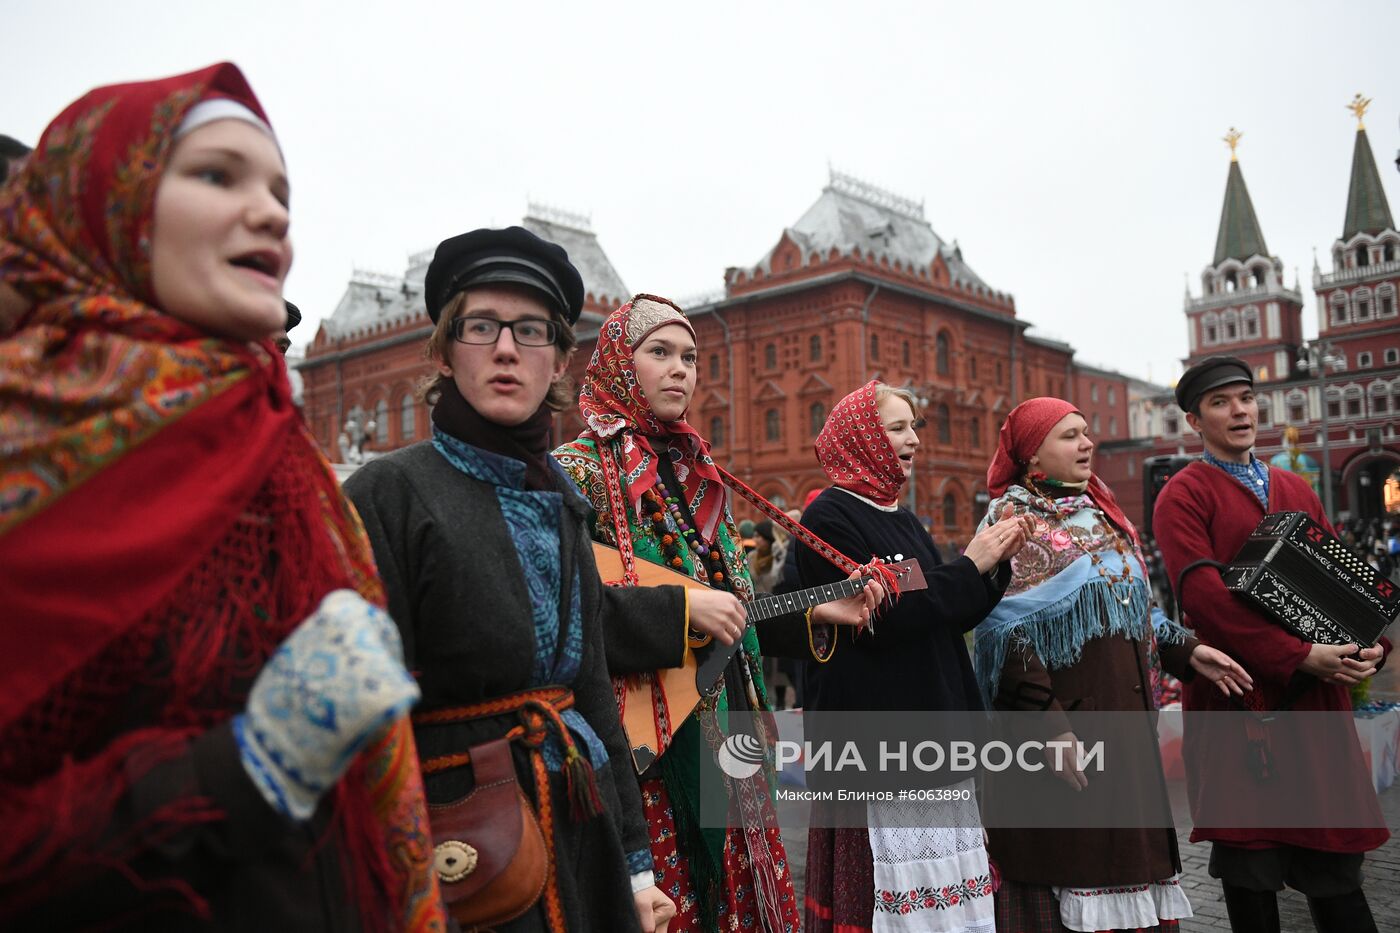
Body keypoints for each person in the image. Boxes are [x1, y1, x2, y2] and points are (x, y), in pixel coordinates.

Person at [0, 64, 442, 930]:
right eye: (216, 174)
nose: (273, 211)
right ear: (106, 211)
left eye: (281, 189)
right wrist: (241, 768)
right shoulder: (24, 443)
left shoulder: (276, 447)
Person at [343, 228, 677, 933]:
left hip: (579, 838)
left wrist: (635, 864)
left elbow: (589, 687)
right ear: (443, 349)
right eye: (481, 326)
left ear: (558, 359)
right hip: (460, 856)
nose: (505, 348)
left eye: (530, 330)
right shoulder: (390, 494)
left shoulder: (560, 498)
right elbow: (364, 726)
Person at [554, 294, 881, 933]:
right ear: (620, 363)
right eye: (660, 353)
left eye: (691, 357)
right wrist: (679, 609)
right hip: (644, 745)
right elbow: (565, 612)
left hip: (726, 729)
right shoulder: (575, 472)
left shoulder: (699, 475)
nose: (681, 369)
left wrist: (816, 614)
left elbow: (729, 615)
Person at [973, 397, 1252, 933]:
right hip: (1069, 741)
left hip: (1126, 738)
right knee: (1073, 869)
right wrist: (1047, 729)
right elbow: (1003, 635)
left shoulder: (1102, 513)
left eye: (1085, 432)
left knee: (1126, 865)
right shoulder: (1011, 521)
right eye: (1069, 436)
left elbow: (1137, 611)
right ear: (1032, 457)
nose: (1087, 444)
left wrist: (1188, 651)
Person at [1153, 356, 1390, 933]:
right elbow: (1205, 599)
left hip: (1313, 707)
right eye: (1220, 402)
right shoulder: (1183, 495)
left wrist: (1366, 640)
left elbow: (1340, 580)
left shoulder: (1292, 486)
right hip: (1238, 705)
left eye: (1246, 398)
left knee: (1336, 871)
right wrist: (1299, 654)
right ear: (1194, 420)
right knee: (1252, 873)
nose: (1239, 411)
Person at [795, 380, 1030, 933]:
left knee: (949, 903)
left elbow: (943, 609)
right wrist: (969, 565)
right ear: (861, 437)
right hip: (882, 738)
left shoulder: (897, 514)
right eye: (897, 427)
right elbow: (884, 615)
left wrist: (992, 566)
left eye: (913, 427)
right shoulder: (828, 517)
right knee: (899, 903)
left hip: (932, 723)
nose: (914, 440)